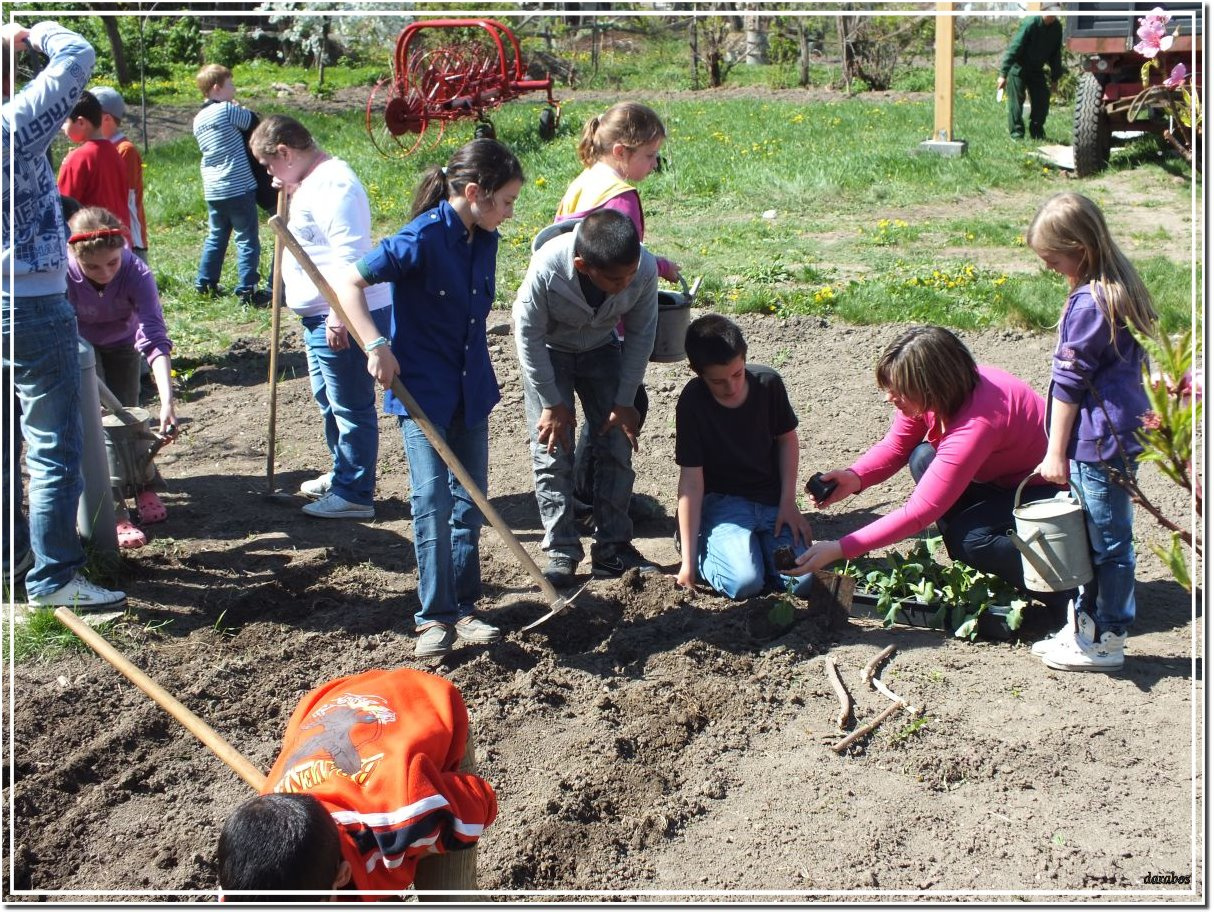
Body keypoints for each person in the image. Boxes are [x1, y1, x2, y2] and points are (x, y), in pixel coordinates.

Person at [332, 138, 523, 659]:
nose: (509, 212)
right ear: (473, 193)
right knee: (431, 502)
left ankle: (465, 606)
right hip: (423, 392)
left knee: (471, 503)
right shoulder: (420, 238)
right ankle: (433, 616)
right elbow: (350, 282)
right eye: (505, 201)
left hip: (471, 388)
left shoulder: (485, 238)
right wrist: (375, 344)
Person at [788, 325, 1072, 614]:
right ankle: (980, 550)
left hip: (1046, 490)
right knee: (923, 456)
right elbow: (897, 446)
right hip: (999, 477)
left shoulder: (977, 424)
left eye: (898, 391)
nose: (889, 398)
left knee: (971, 540)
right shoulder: (942, 394)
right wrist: (855, 477)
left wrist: (840, 548)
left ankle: (1068, 592)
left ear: (930, 386)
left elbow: (918, 513)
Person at [2, 19, 125, 609]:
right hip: (28, 298)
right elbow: (77, 54)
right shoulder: (12, 126)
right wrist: (29, 32)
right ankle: (53, 581)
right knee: (52, 443)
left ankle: (11, 562)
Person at [217, 667, 497, 902]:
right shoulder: (247, 874)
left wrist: (422, 846)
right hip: (323, 708)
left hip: (422, 712)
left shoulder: (404, 821)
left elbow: (480, 800)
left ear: (342, 876)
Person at [1025, 192, 1157, 672]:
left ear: (1079, 248)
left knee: (1108, 541)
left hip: (1098, 442)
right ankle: (1085, 626)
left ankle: (1105, 637)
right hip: (1115, 436)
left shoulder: (1089, 302)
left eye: (1051, 259)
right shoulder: (1119, 286)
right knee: (1097, 535)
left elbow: (1069, 383)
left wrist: (1055, 451)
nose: (1047, 267)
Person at [249, 114, 391, 521]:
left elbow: (351, 255)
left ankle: (355, 493)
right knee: (328, 400)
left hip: (342, 314)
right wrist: (291, 188)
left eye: (268, 165)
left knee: (350, 406)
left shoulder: (335, 184)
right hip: (319, 315)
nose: (269, 175)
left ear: (285, 152)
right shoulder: (310, 182)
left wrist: (338, 314)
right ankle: (343, 471)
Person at [513, 208, 660, 588]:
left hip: (601, 348)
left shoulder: (642, 268)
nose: (626, 283)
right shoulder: (547, 270)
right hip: (549, 350)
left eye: (630, 274)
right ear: (582, 265)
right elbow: (526, 336)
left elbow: (642, 334)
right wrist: (550, 401)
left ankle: (613, 549)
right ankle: (561, 549)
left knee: (617, 442)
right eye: (615, 278)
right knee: (552, 448)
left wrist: (625, 400)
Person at [555, 102, 680, 522]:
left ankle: (582, 494)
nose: (654, 164)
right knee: (621, 405)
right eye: (649, 155)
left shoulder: (586, 181)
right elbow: (622, 256)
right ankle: (592, 498)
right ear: (623, 151)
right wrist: (657, 267)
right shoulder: (622, 197)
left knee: (605, 406)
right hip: (605, 318)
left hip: (569, 312)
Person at [674, 314, 816, 599]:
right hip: (723, 506)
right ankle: (700, 546)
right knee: (745, 584)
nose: (732, 387)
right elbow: (691, 481)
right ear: (697, 371)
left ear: (744, 357)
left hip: (771, 502)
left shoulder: (768, 383)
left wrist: (789, 503)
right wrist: (687, 566)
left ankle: (754, 551)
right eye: (718, 381)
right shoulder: (692, 402)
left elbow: (787, 440)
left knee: (801, 583)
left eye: (737, 374)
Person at [66, 206, 177, 548]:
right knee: (96, 425)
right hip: (79, 346)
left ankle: (142, 485)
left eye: (112, 262)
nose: (105, 273)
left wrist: (168, 400)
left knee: (130, 415)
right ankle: (114, 510)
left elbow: (154, 337)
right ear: (75, 257)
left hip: (122, 342)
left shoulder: (134, 270)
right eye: (93, 267)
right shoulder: (62, 275)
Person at [192, 64, 268, 306]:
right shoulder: (226, 111)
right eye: (231, 85)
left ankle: (205, 283)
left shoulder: (198, 119)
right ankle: (247, 288)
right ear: (217, 88)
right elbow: (253, 122)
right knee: (246, 237)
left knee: (217, 236)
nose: (234, 89)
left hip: (214, 188)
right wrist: (241, 109)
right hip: (238, 184)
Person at [56, 89, 131, 234]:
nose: (62, 128)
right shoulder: (116, 153)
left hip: (92, 246)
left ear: (81, 122)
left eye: (65, 122)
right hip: (118, 242)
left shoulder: (77, 158)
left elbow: (61, 207)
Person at [88, 85, 148, 262]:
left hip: (129, 237)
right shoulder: (98, 149)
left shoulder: (124, 150)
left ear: (106, 119)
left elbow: (125, 196)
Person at [996, 3, 1064, 140]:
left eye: (1055, 13)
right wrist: (1003, 74)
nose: (1053, 16)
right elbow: (1014, 48)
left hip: (1036, 69)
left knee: (1042, 99)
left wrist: (1055, 78)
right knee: (1016, 103)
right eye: (1050, 12)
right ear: (1043, 11)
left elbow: (1056, 54)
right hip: (1018, 68)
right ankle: (1017, 135)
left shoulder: (1057, 28)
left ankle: (1037, 132)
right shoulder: (1030, 23)